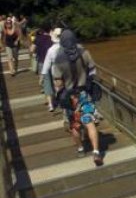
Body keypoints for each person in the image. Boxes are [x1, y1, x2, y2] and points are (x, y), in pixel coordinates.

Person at [50, 29, 103, 166]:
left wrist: (59, 94)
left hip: (69, 96)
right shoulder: (84, 53)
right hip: (84, 93)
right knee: (89, 122)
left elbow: (57, 82)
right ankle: (96, 152)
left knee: (74, 125)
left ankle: (80, 148)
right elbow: (92, 70)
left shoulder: (58, 58)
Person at [40, 27, 62, 112]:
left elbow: (46, 65)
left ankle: (61, 102)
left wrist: (42, 77)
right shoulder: (67, 47)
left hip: (56, 72)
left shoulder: (51, 50)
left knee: (58, 87)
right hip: (67, 70)